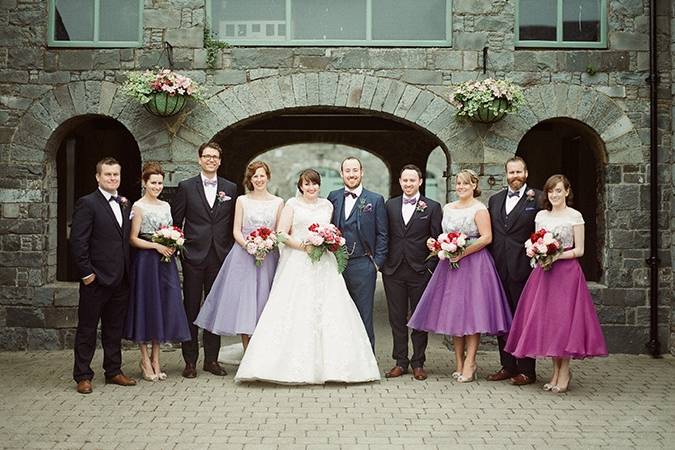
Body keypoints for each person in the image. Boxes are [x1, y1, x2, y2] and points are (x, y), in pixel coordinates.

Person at [235, 170, 380, 384]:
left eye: (315, 184)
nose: (311, 188)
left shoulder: (327, 206)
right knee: (296, 309)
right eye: (307, 184)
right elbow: (282, 233)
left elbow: (332, 230)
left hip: (324, 263)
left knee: (330, 311)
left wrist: (327, 240)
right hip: (298, 262)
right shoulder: (291, 205)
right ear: (300, 186)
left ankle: (334, 367)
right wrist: (304, 246)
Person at [505, 174, 608, 393]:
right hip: (544, 274)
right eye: (551, 191)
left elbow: (579, 250)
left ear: (567, 192)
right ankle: (554, 371)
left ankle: (564, 372)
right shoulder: (541, 215)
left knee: (564, 321)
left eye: (559, 190)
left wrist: (555, 256)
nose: (554, 195)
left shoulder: (575, 216)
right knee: (549, 322)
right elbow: (536, 241)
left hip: (567, 274)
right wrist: (537, 252)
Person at [408, 169, 512, 382]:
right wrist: (437, 244)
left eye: (466, 183)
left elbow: (486, 238)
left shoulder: (480, 209)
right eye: (458, 183)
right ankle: (458, 362)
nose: (461, 187)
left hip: (474, 265)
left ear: (474, 185)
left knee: (473, 314)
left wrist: (461, 252)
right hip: (450, 267)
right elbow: (444, 234)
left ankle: (470, 362)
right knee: (455, 314)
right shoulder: (447, 208)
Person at [195, 161, 283, 350]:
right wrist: (250, 246)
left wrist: (267, 245)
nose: (259, 179)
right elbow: (236, 231)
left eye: (261, 175)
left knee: (266, 302)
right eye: (254, 176)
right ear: (250, 180)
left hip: (268, 257)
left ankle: (263, 352)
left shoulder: (278, 202)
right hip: (244, 257)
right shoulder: (242, 200)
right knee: (245, 304)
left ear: (268, 177)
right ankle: (247, 352)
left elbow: (279, 231)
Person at [70, 157, 137, 394]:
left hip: (120, 279)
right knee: (87, 328)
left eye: (115, 174)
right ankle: (83, 375)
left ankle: (113, 371)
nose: (112, 178)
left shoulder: (125, 202)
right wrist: (87, 273)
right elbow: (78, 242)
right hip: (96, 279)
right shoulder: (87, 203)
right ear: (98, 177)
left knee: (114, 329)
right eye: (107, 174)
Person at [171, 142, 237, 378]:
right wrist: (181, 250)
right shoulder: (186, 187)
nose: (211, 160)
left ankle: (211, 360)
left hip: (219, 257)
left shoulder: (230, 187)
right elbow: (176, 223)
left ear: (220, 161)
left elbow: (232, 223)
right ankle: (190, 361)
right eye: (207, 156)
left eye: (215, 157)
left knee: (214, 308)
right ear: (199, 159)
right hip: (193, 256)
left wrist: (228, 249)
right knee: (190, 307)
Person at [124, 162, 191, 381]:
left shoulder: (166, 206)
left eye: (160, 183)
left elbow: (171, 230)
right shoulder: (138, 206)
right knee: (147, 305)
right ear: (144, 183)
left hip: (165, 262)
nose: (157, 186)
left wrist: (173, 242)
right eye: (153, 183)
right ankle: (144, 360)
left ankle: (156, 359)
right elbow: (133, 239)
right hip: (146, 262)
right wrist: (156, 245)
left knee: (163, 305)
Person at [486, 156, 544, 386]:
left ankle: (527, 370)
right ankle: (507, 366)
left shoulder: (538, 198)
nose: (515, 176)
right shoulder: (495, 199)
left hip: (525, 269)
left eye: (519, 172)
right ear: (506, 174)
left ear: (526, 173)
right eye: (511, 172)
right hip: (498, 267)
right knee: (504, 318)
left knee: (524, 319)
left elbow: (542, 232)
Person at [381, 164, 442, 381]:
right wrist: (382, 265)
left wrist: (430, 268)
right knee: (396, 318)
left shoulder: (432, 207)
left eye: (412, 180)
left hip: (420, 270)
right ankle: (400, 361)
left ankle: (418, 362)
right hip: (393, 269)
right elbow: (384, 236)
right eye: (405, 180)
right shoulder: (390, 205)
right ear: (400, 181)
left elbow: (437, 240)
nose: (408, 184)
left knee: (419, 318)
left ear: (420, 182)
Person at [327, 157, 388, 349]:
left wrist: (376, 263)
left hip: (363, 263)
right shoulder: (333, 197)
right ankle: (340, 356)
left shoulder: (375, 199)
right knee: (337, 312)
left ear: (362, 172)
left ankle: (367, 359)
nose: (351, 174)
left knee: (364, 313)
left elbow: (383, 234)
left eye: (355, 170)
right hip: (335, 263)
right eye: (347, 171)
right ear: (341, 173)